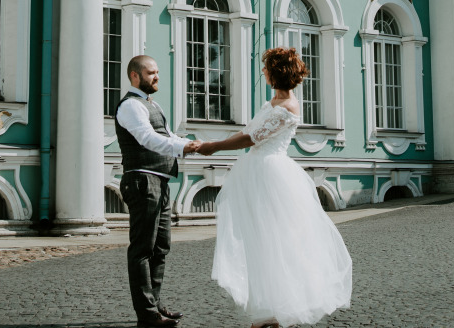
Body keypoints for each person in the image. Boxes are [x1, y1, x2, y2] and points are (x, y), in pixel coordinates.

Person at [197, 47, 352, 328]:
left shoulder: (289, 107)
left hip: (272, 175)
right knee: (260, 241)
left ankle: (280, 307)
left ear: (276, 72)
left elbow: (252, 138)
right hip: (256, 171)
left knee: (277, 241)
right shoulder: (273, 102)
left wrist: (213, 146)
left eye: (266, 68)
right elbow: (248, 131)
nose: (264, 72)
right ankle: (267, 309)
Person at [115, 55, 202, 327]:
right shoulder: (131, 106)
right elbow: (147, 138)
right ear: (134, 76)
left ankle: (154, 304)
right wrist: (182, 147)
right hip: (142, 181)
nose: (157, 77)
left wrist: (192, 144)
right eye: (151, 73)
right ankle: (147, 314)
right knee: (142, 248)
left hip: (160, 181)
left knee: (160, 247)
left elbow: (166, 136)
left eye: (157, 72)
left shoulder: (153, 104)